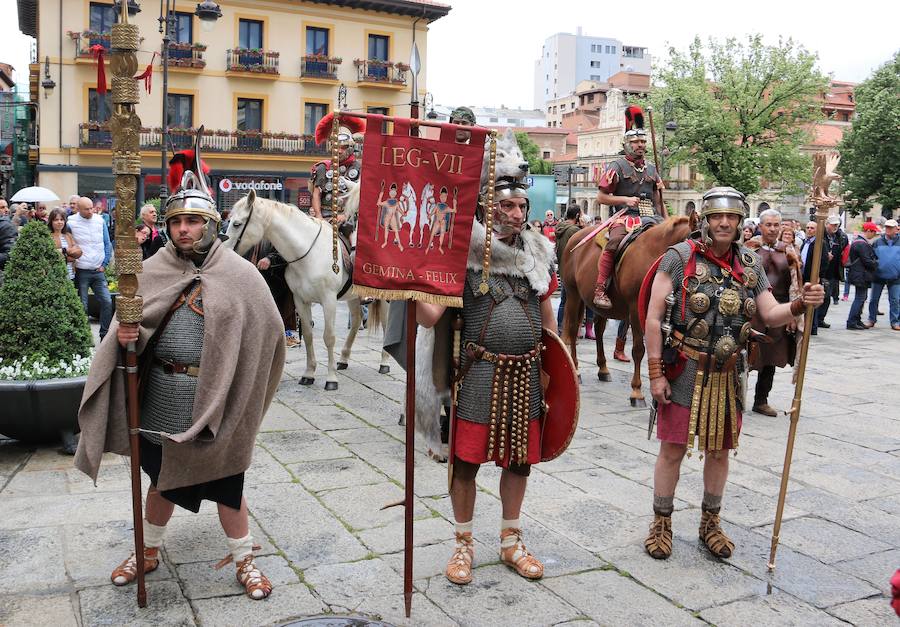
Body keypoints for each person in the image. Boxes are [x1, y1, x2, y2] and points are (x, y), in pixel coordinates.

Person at [74, 157, 285, 601]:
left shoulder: (241, 274)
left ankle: (244, 559)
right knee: (161, 479)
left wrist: (244, 391)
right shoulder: (151, 270)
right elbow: (126, 337)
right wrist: (128, 335)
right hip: (162, 396)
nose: (183, 229)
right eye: (176, 222)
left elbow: (269, 338)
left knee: (229, 485)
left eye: (192, 221)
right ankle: (147, 550)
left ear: (210, 224)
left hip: (218, 398)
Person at [643, 187, 824, 561]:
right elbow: (653, 317)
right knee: (672, 449)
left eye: (732, 217)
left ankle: (711, 521)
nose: (724, 223)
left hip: (728, 374)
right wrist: (656, 372)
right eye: (716, 216)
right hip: (683, 369)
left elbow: (770, 314)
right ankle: (661, 522)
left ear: (741, 222)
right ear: (706, 220)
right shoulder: (678, 257)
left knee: (720, 452)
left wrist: (798, 304)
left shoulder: (750, 264)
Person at [416, 176, 558, 586]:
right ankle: (463, 543)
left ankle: (511, 540)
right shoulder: (465, 255)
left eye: (521, 206)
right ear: (488, 209)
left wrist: (559, 376)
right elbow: (430, 316)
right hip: (480, 374)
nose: (517, 214)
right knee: (466, 466)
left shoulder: (537, 255)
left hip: (526, 374)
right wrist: (406, 285)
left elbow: (548, 324)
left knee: (520, 462)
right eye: (508, 206)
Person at [593, 105, 664, 309]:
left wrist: (664, 216)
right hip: (626, 217)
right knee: (614, 243)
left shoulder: (651, 168)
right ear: (627, 144)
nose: (640, 145)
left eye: (642, 141)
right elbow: (601, 197)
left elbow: (657, 200)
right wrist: (624, 199)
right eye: (635, 142)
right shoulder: (616, 166)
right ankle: (600, 289)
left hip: (652, 217)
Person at [745, 209, 801, 417]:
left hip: (779, 308)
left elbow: (795, 285)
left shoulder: (788, 252)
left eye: (777, 225)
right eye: (769, 224)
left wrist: (793, 315)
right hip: (751, 310)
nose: (773, 229)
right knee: (744, 357)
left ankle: (761, 400)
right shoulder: (749, 249)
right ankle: (735, 397)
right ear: (760, 226)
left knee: (770, 358)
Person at [309, 113, 364, 233]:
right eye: (336, 147)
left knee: (356, 243)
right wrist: (319, 216)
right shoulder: (323, 167)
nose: (339, 151)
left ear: (350, 148)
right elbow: (316, 194)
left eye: (343, 147)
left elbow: (362, 199)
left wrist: (346, 216)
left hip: (349, 219)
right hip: (323, 217)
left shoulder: (360, 168)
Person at [68, 196, 113, 341]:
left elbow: (107, 243)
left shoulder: (100, 221)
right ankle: (84, 337)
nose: (90, 211)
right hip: (81, 270)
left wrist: (104, 264)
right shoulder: (71, 222)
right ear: (79, 209)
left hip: (97, 270)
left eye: (91, 208)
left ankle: (104, 335)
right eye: (86, 209)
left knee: (107, 302)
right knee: (83, 306)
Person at [866, 219, 900, 330]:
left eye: (891, 227)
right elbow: (871, 257)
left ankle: (895, 322)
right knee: (874, 299)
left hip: (896, 276)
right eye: (886, 227)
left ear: (896, 229)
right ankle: (871, 319)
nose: (888, 229)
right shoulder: (877, 242)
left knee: (895, 300)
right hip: (878, 275)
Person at [799, 221, 830, 335]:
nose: (809, 230)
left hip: (812, 277)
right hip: (803, 276)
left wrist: (818, 275)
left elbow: (824, 261)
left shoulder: (820, 243)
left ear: (817, 230)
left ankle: (812, 327)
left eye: (812, 228)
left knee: (813, 301)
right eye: (807, 227)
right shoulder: (805, 242)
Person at [846, 222, 880, 330]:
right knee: (860, 298)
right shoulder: (862, 243)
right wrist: (876, 263)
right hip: (861, 274)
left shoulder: (858, 242)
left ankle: (857, 320)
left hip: (859, 274)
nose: (874, 235)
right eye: (874, 232)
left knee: (861, 297)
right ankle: (852, 321)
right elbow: (867, 261)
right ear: (869, 231)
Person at [47, 208, 82, 281]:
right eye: (56, 220)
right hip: (56, 276)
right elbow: (51, 255)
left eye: (61, 220)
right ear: (51, 222)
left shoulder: (68, 235)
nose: (59, 222)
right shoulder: (48, 237)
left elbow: (78, 252)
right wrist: (68, 255)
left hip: (71, 275)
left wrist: (63, 251)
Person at [0, 201, 17, 286]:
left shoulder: (6, 225)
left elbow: (9, 253)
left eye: (6, 207)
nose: (6, 210)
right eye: (2, 207)